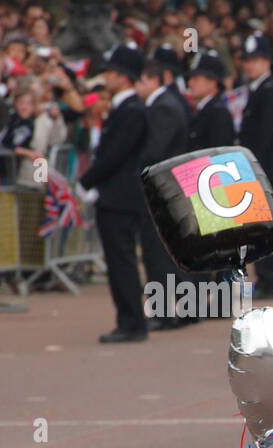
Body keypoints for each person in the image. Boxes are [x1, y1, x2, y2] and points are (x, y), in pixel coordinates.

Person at [78, 43, 149, 344]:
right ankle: (129, 319)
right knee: (119, 261)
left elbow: (115, 155)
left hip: (119, 196)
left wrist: (87, 181)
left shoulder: (131, 110)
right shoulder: (124, 108)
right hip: (115, 194)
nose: (107, 76)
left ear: (124, 76)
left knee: (121, 262)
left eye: (111, 72)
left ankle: (132, 322)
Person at [134, 60, 188, 329]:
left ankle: (165, 312)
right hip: (167, 190)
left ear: (152, 80)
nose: (137, 88)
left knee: (158, 254)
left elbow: (155, 151)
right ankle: (178, 309)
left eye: (139, 81)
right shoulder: (165, 104)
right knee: (165, 253)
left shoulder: (163, 107)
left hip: (161, 191)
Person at [238, 32, 273, 299]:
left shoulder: (269, 91)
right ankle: (265, 279)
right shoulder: (258, 89)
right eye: (247, 60)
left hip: (266, 168)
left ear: (267, 61)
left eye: (256, 60)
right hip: (260, 168)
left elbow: (266, 135)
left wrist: (251, 168)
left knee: (266, 230)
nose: (250, 65)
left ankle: (270, 281)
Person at [185, 50, 233, 150]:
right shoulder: (204, 109)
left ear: (212, 83)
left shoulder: (218, 113)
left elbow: (219, 153)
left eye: (195, 79)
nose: (190, 83)